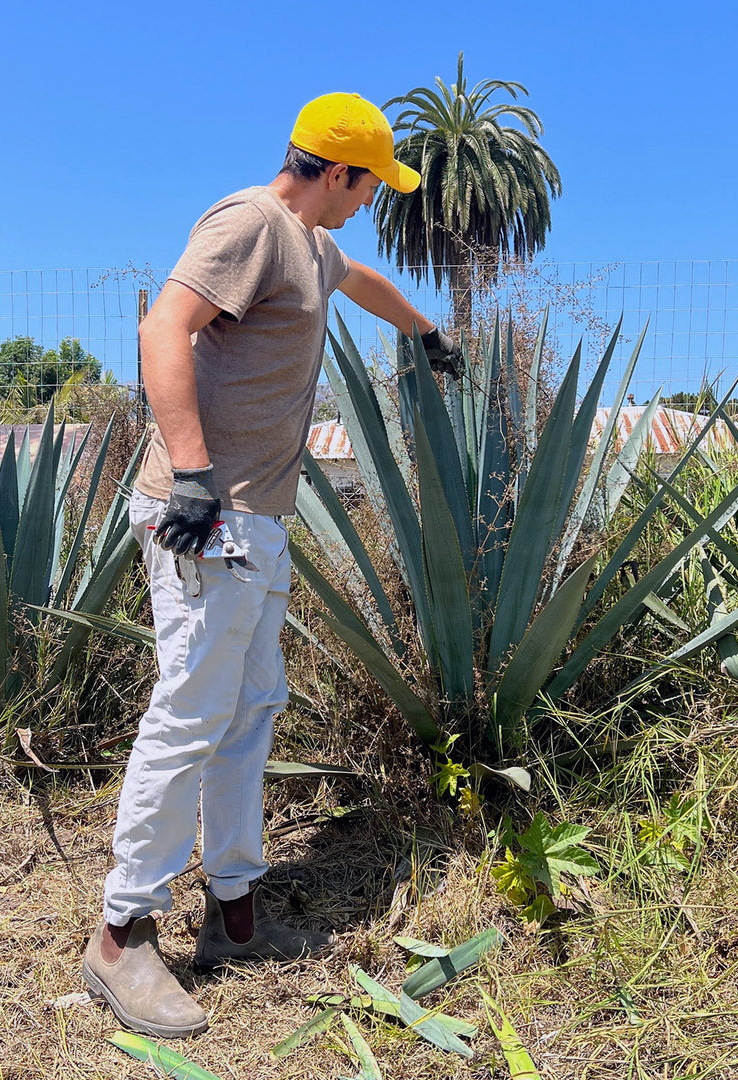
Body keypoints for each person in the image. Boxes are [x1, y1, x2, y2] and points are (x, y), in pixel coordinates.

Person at [82, 91, 463, 1039]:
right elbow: (162, 328)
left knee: (250, 709)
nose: (375, 197)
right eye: (371, 181)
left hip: (258, 521)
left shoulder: (312, 246)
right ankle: (122, 937)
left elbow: (363, 280)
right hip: (208, 516)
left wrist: (424, 330)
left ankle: (234, 915)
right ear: (335, 172)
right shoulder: (250, 221)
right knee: (191, 713)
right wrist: (195, 475)